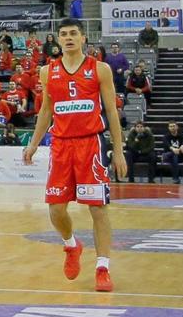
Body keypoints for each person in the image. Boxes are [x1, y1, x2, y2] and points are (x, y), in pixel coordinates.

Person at [22, 18, 127, 293]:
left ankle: (102, 268)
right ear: (58, 39)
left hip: (90, 144)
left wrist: (118, 149)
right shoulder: (47, 72)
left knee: (98, 209)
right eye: (64, 34)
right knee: (55, 209)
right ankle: (71, 245)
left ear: (83, 38)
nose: (68, 38)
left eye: (73, 34)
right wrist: (33, 143)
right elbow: (46, 110)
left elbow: (112, 111)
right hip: (60, 144)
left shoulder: (100, 69)